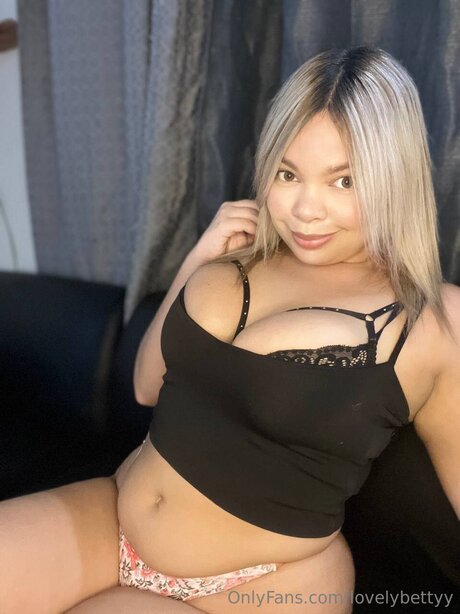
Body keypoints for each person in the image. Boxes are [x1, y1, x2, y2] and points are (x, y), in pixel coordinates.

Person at [1, 45, 459, 614]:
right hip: (115, 517)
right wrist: (198, 258)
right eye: (288, 174)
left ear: (396, 179)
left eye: (344, 181)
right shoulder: (241, 255)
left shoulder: (434, 321)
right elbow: (147, 386)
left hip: (254, 587)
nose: (305, 209)